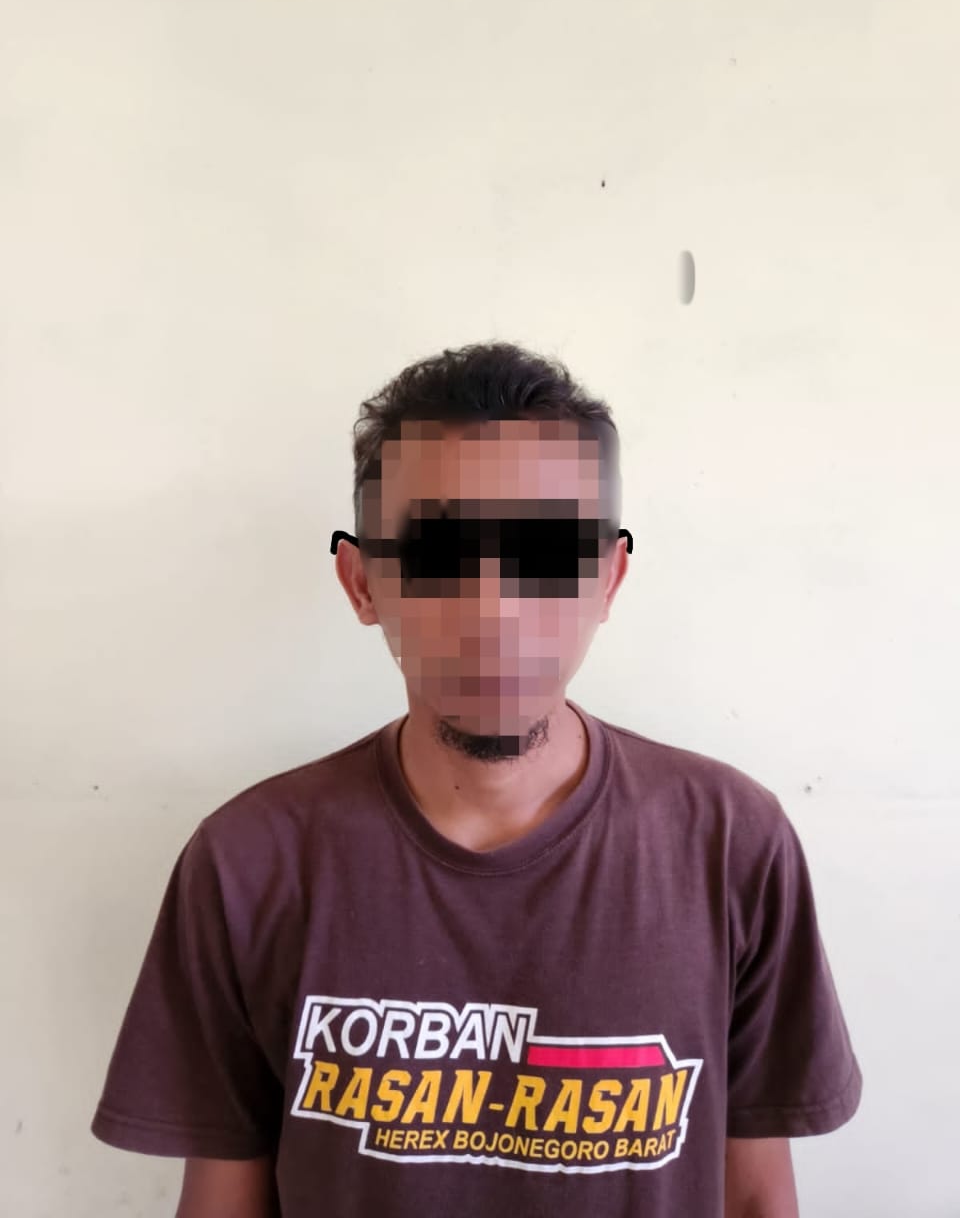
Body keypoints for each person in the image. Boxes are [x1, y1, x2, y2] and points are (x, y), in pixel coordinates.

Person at [90, 341, 862, 1216]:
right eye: (438, 553)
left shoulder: (730, 843)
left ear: (608, 578)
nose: (494, 609)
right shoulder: (248, 863)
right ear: (362, 582)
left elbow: (758, 1197)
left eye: (547, 551)